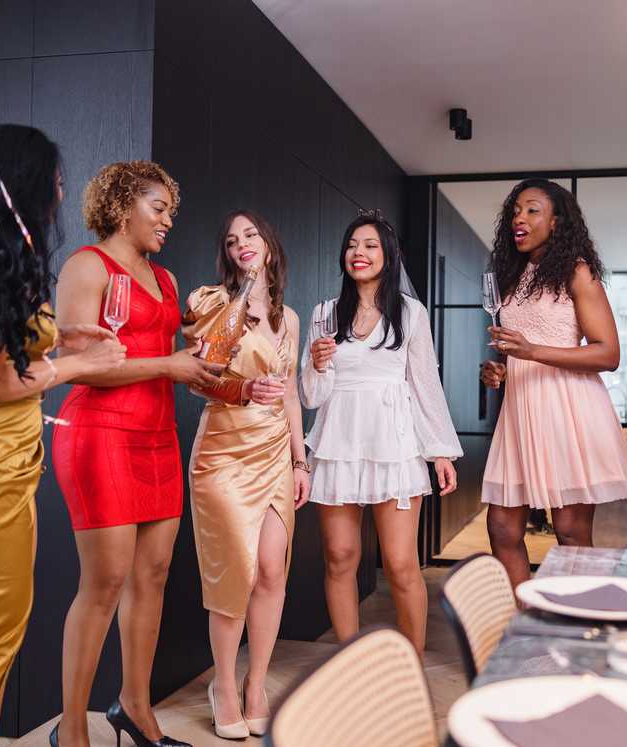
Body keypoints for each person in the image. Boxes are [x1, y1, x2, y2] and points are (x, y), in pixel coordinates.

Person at [0, 125, 126, 747]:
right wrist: (79, 367)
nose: (62, 191)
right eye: (54, 179)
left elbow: (9, 351)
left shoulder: (3, 264)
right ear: (24, 186)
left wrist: (64, 339)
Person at [50, 161, 214, 747]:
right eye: (158, 208)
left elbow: (157, 350)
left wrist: (198, 350)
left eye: (171, 210)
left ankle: (135, 710)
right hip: (100, 433)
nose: (169, 220)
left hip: (156, 435)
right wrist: (171, 366)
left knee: (154, 573)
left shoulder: (164, 280)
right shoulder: (86, 266)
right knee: (106, 580)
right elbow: (80, 365)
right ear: (123, 207)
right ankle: (71, 729)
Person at [301, 211, 461, 656]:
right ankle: (350, 663)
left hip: (394, 443)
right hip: (338, 442)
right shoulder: (323, 313)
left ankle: (410, 667)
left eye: (370, 245)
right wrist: (316, 364)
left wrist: (441, 452)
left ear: (388, 256)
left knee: (401, 563)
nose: (359, 253)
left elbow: (425, 383)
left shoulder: (411, 313)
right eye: (353, 245)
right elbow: (311, 396)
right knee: (340, 558)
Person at [182, 210, 308, 739]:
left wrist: (302, 461)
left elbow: (292, 393)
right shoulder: (212, 302)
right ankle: (225, 688)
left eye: (252, 234)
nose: (242, 244)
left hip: (276, 450)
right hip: (224, 451)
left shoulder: (290, 318)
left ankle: (257, 685)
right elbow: (198, 378)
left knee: (273, 572)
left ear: (270, 241)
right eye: (233, 240)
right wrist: (240, 389)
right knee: (237, 574)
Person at [480, 178, 627, 590]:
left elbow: (608, 353)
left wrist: (531, 352)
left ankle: (578, 625)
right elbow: (516, 349)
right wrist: (500, 369)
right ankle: (524, 625)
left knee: (569, 531)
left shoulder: (577, 272)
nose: (519, 218)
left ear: (556, 222)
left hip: (567, 410)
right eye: (515, 210)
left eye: (532, 210)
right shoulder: (510, 278)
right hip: (519, 412)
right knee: (501, 528)